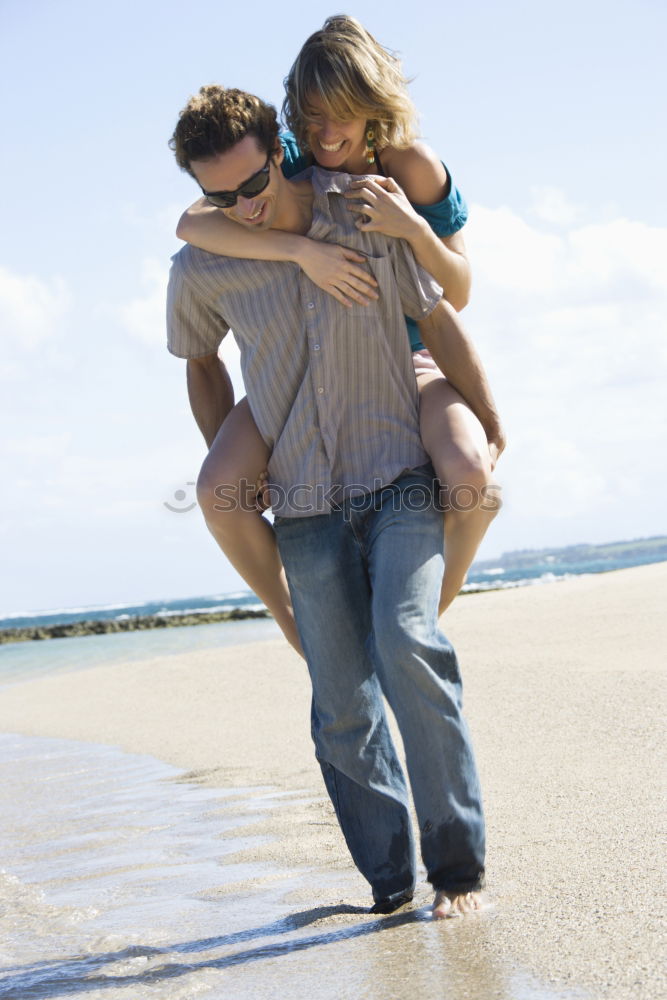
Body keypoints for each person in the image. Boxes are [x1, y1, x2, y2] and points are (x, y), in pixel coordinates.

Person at [167, 84, 502, 917]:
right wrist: (234, 465)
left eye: (252, 186)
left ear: (277, 150)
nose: (240, 208)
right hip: (305, 499)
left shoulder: (358, 209)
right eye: (219, 196)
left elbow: (438, 308)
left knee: (407, 640)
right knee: (341, 703)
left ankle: (457, 873)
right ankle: (388, 886)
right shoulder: (201, 263)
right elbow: (201, 363)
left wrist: (491, 420)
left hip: (397, 473)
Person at [175, 16, 504, 654]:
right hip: (309, 365)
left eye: (343, 116)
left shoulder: (412, 164)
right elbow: (192, 225)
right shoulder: (287, 160)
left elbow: (458, 294)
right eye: (312, 115)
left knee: (471, 474)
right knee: (220, 489)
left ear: (372, 106)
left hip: (411, 357)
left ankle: (418, 618)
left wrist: (411, 228)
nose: (326, 134)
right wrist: (303, 253)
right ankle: (299, 628)